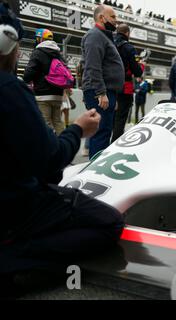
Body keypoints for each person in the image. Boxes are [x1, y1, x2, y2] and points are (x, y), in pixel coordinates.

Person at [0, 2, 124, 297]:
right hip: (16, 208)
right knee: (110, 222)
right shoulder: (10, 90)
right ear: (8, 43)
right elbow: (49, 161)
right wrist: (78, 130)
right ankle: (13, 257)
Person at [81, 4, 124, 159]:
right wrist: (101, 92)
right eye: (112, 17)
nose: (115, 20)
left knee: (104, 131)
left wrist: (112, 95)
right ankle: (95, 171)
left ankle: (97, 167)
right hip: (100, 91)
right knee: (101, 133)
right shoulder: (95, 35)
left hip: (107, 91)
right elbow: (93, 66)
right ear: (101, 17)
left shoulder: (103, 36)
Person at [23, 28, 66, 135]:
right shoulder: (58, 53)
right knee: (58, 121)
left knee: (46, 123)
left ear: (40, 39)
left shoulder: (38, 52)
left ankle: (52, 148)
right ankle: (63, 146)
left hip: (42, 95)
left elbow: (28, 75)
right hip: (58, 94)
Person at [111, 23, 143, 143]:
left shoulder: (110, 44)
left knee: (110, 117)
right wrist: (141, 65)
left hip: (109, 86)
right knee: (121, 117)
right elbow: (138, 72)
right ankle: (114, 144)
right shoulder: (129, 48)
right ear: (127, 33)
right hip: (124, 87)